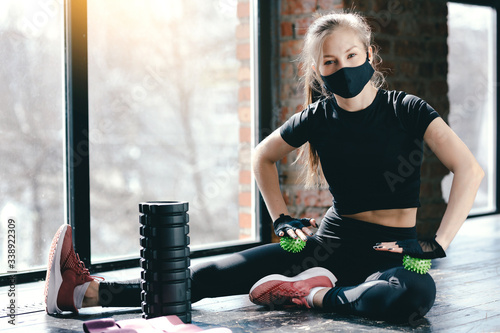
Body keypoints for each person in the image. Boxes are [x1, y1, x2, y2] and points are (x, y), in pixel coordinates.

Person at [44, 11, 484, 323]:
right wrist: (281, 218)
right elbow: (262, 156)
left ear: (368, 54)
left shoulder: (407, 108)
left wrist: (438, 243)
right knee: (217, 271)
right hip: (328, 242)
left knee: (413, 293)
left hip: (397, 250)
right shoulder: (318, 116)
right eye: (330, 62)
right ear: (318, 68)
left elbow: (470, 170)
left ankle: (313, 295)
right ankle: (86, 292)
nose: (343, 68)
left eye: (351, 56)